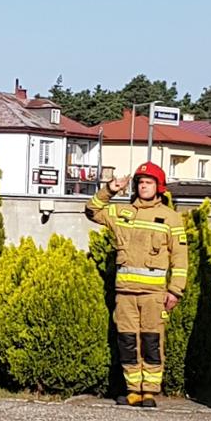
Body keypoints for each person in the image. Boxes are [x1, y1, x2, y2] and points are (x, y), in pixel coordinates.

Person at [86, 162, 186, 407]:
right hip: (125, 293)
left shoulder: (171, 218)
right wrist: (110, 189)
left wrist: (175, 290)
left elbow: (181, 258)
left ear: (159, 187)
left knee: (151, 341)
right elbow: (91, 211)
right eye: (140, 182)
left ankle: (149, 391)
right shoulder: (122, 213)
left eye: (149, 182)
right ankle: (133, 389)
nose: (143, 186)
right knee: (127, 341)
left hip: (154, 295)